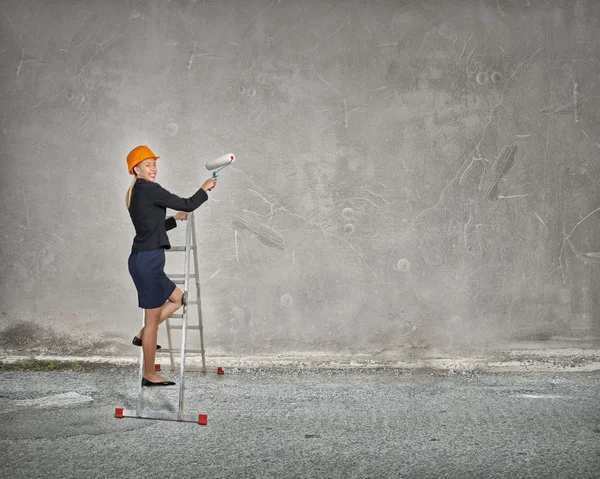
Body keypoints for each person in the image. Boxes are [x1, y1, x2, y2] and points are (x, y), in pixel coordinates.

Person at [125, 145, 216, 387]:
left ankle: (142, 334)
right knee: (153, 322)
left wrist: (173, 221)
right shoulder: (150, 190)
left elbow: (152, 228)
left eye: (154, 164)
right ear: (136, 169)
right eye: (147, 165)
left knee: (178, 298)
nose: (153, 168)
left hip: (142, 260)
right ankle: (149, 374)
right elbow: (187, 203)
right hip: (148, 262)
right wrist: (204, 189)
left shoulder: (137, 193)